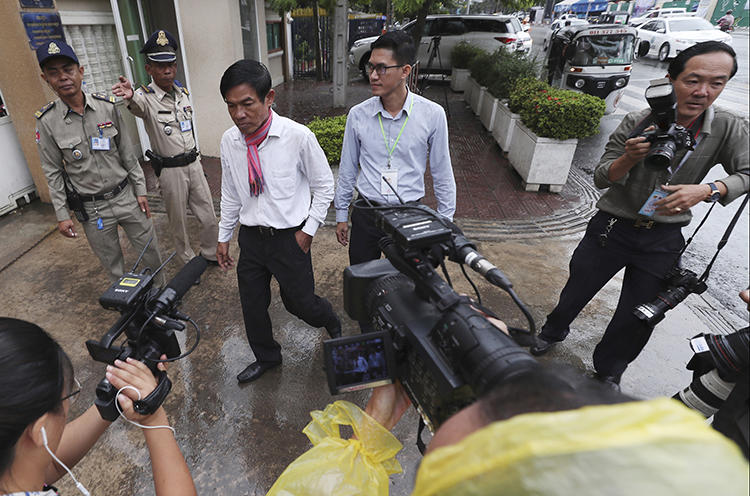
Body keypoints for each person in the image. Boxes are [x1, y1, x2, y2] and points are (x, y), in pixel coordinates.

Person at [530, 41, 749, 387]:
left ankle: (610, 368)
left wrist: (708, 190)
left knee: (640, 315)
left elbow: (747, 172)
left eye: (717, 83)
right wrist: (629, 157)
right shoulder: (637, 120)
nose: (703, 92)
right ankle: (552, 332)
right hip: (612, 227)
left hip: (663, 238)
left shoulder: (726, 127)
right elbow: (603, 177)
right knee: (577, 288)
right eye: (692, 80)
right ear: (671, 79)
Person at [215, 59, 342, 384]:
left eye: (247, 104)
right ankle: (267, 357)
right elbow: (231, 191)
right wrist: (224, 235)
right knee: (252, 306)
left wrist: (309, 230)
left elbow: (324, 184)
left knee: (300, 304)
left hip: (291, 238)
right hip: (252, 240)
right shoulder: (230, 141)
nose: (239, 114)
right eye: (231, 106)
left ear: (269, 98)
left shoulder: (296, 137)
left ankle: (330, 320)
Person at [0, 317, 196, 496]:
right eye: (68, 397)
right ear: (39, 430)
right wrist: (152, 417)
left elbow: (47, 463)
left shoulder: (17, 469)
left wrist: (113, 399)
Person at [35, 40, 164, 285]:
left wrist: (141, 191)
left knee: (151, 253)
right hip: (93, 210)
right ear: (45, 79)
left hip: (126, 197)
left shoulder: (106, 107)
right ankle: (130, 311)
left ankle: (162, 300)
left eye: (67, 69)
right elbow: (52, 171)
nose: (63, 77)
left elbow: (127, 152)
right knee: (113, 266)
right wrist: (62, 214)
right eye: (54, 73)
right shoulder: (47, 122)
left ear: (80, 71)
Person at [334, 30, 456, 266]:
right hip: (367, 212)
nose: (373, 75)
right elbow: (348, 168)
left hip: (410, 213)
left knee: (409, 287)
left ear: (405, 71)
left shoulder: (432, 115)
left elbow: (442, 172)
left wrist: (445, 220)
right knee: (362, 280)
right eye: (371, 67)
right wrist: (341, 215)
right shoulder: (358, 115)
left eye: (382, 68)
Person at [111, 30, 219, 269]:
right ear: (149, 69)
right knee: (178, 223)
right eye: (161, 66)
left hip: (194, 165)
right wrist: (129, 96)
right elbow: (136, 106)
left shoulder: (183, 94)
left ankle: (211, 254)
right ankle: (189, 263)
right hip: (170, 172)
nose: (167, 70)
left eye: (171, 64)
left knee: (209, 216)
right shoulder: (144, 97)